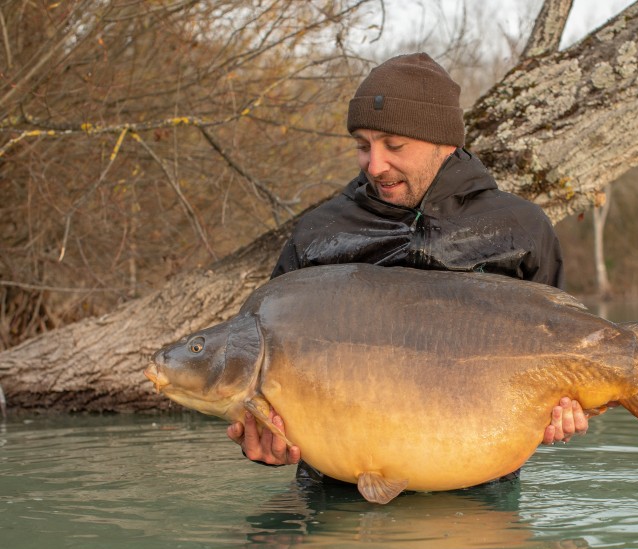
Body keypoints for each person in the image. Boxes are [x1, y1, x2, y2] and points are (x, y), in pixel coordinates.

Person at [227, 52, 591, 472]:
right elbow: (264, 385)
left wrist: (565, 413)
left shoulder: (520, 228)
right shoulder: (318, 234)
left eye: (394, 145)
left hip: (479, 490)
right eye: (363, 146)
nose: (375, 165)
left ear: (446, 143)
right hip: (338, 494)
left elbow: (565, 354)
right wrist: (264, 446)